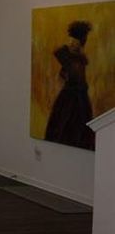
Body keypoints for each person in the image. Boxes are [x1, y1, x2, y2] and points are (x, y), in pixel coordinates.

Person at [44, 20, 95, 150]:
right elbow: (61, 57)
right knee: (62, 125)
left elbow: (76, 74)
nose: (71, 43)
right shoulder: (65, 54)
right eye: (71, 40)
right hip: (69, 96)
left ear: (81, 43)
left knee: (78, 128)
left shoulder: (81, 59)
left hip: (81, 98)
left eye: (75, 42)